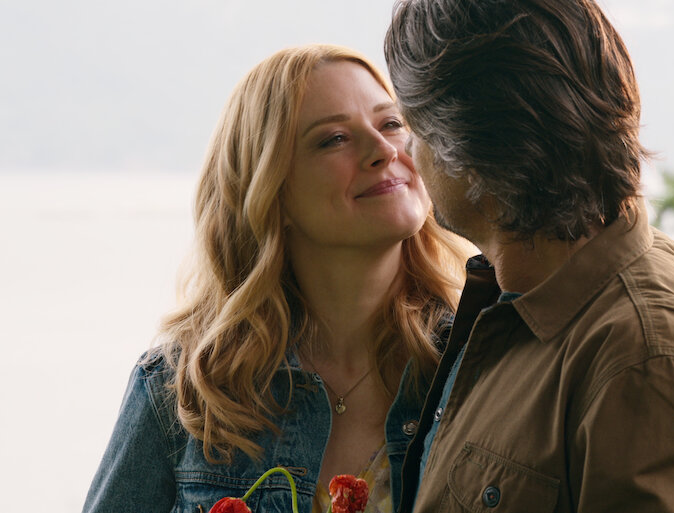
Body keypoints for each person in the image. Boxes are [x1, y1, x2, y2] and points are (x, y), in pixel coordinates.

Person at [384, 1, 674, 512]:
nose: (409, 154)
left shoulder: (645, 362)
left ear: (472, 148)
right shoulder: (530, 290)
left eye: (415, 130)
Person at [82, 44, 470, 513]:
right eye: (334, 139)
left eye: (391, 123)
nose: (384, 149)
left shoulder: (477, 366)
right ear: (270, 189)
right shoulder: (181, 389)